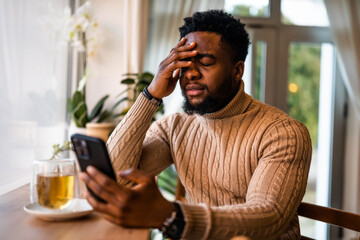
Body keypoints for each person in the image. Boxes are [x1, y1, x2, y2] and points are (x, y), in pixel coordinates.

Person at [80, 10, 312, 240]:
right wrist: (151, 95)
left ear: (237, 70)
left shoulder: (283, 133)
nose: (190, 73)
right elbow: (118, 179)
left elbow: (268, 218)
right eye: (184, 62)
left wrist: (171, 215)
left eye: (205, 62)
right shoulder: (174, 127)